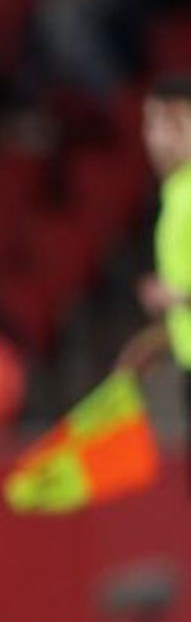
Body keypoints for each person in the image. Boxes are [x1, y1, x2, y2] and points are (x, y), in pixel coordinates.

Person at [116, 73, 191, 490]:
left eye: (168, 124)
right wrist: (154, 344)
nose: (155, 138)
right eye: (150, 124)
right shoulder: (176, 195)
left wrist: (175, 296)